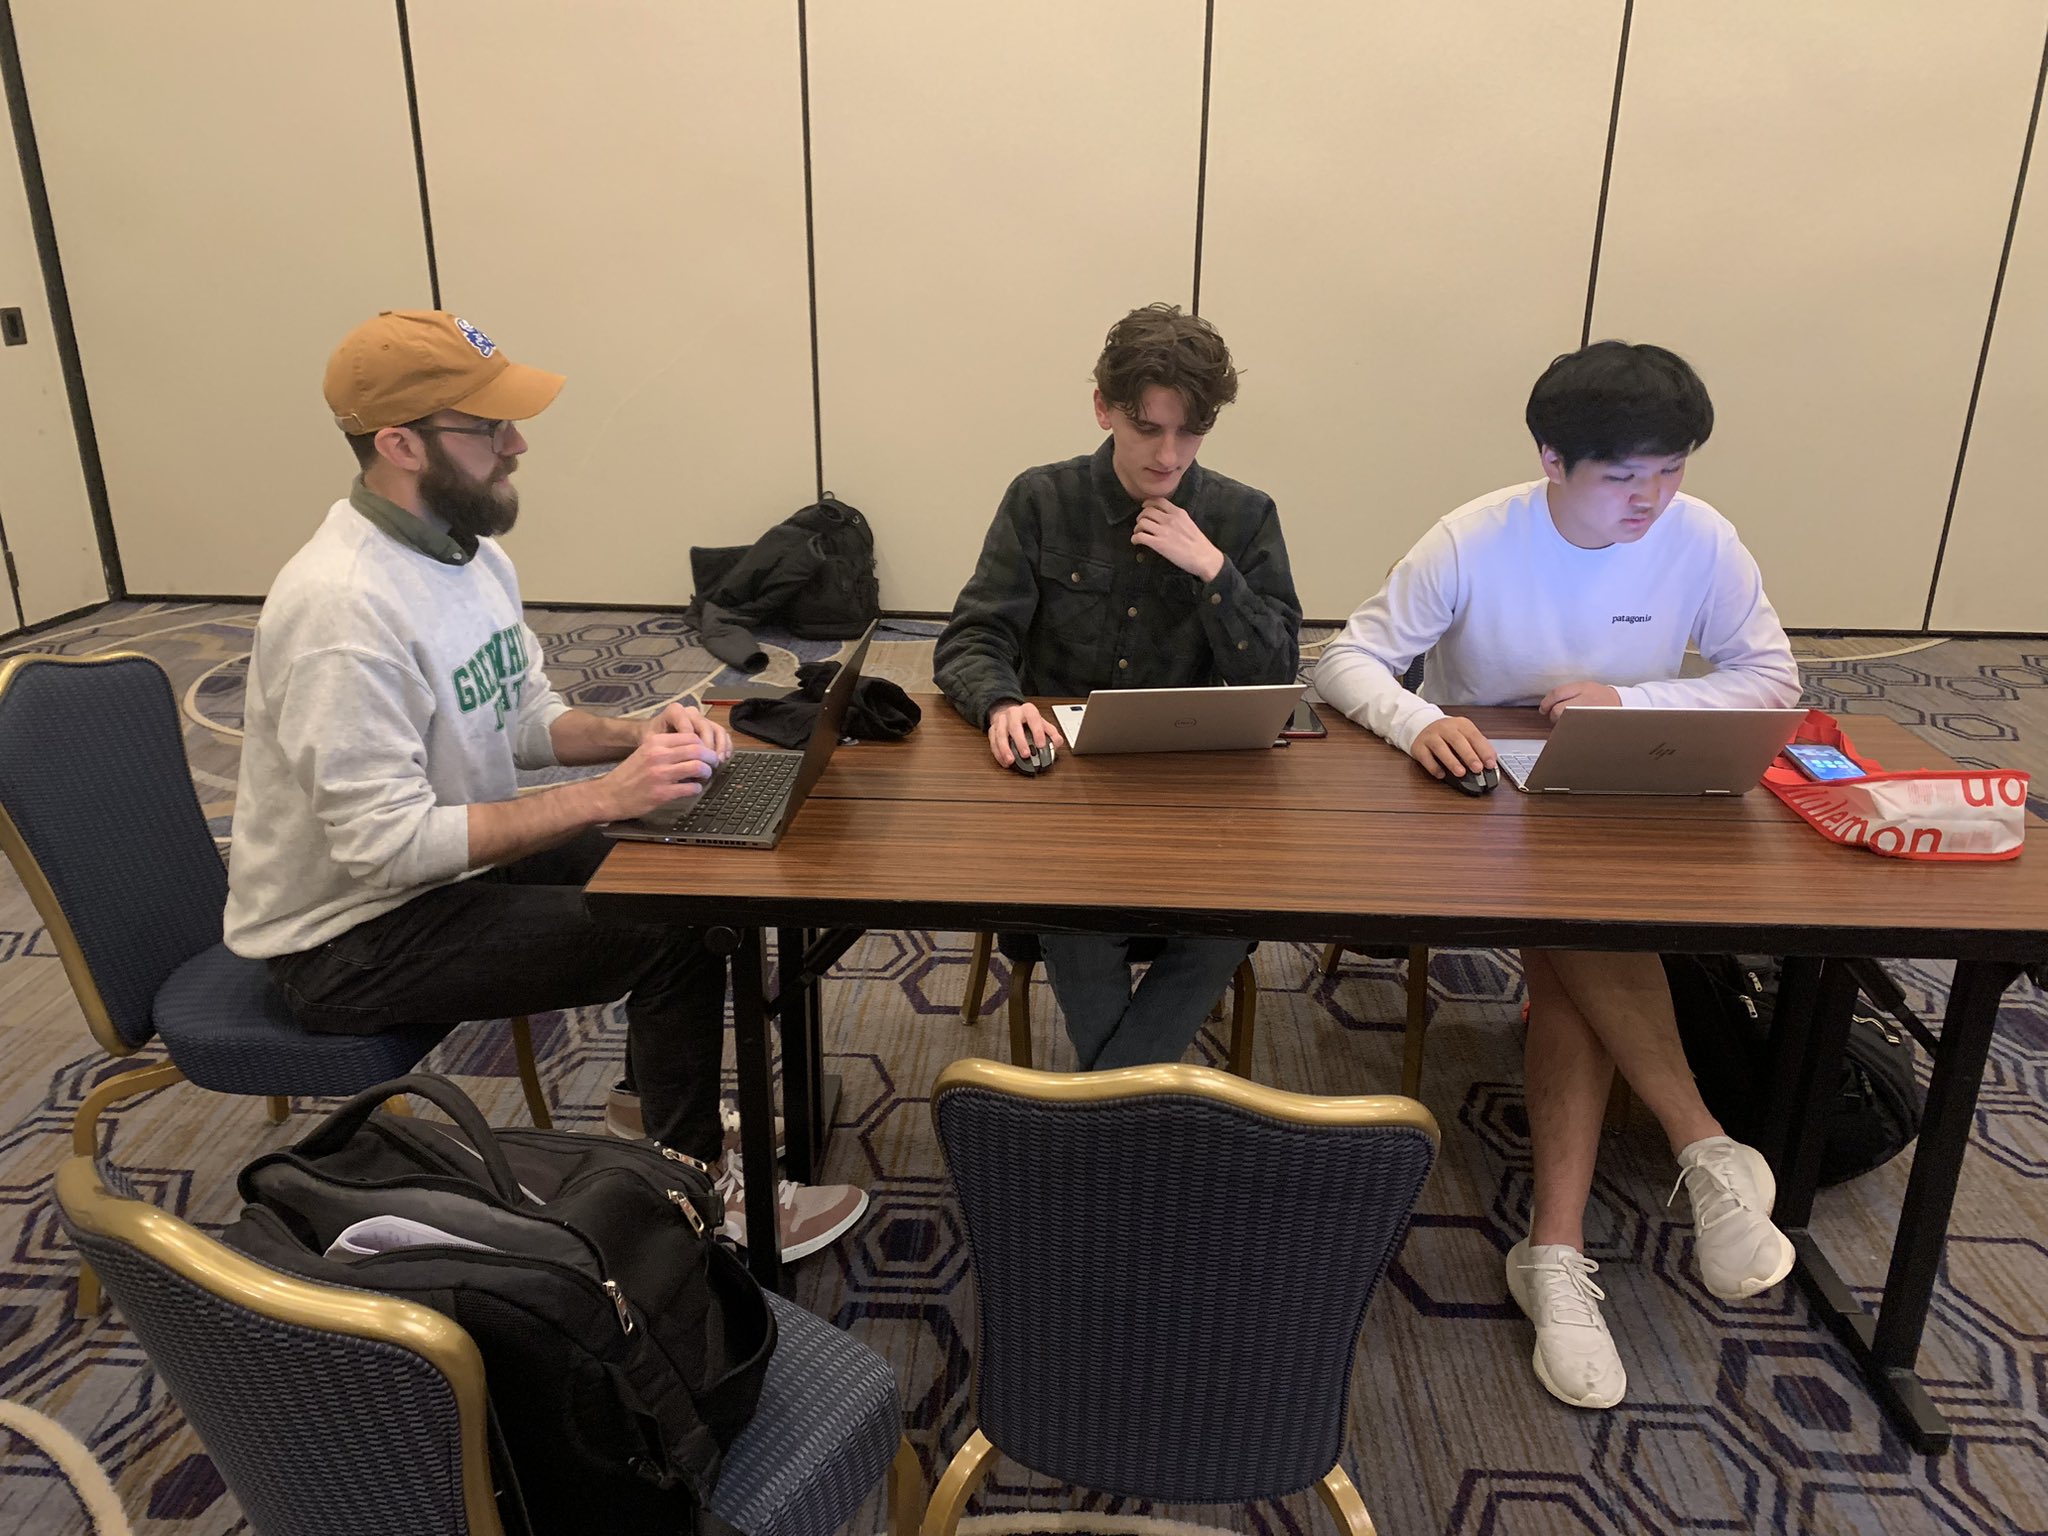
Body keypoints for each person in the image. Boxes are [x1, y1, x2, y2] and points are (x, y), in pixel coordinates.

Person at [223, 309, 867, 1261]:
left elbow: (521, 720)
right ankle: (690, 1196)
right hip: (352, 938)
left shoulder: (466, 551)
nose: (516, 444)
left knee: (680, 867)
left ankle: (651, 1115)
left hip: (440, 873)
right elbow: (382, 847)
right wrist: (609, 796)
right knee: (666, 931)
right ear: (399, 445)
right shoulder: (343, 609)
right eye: (487, 429)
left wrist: (633, 737)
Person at [1314, 340, 1802, 1409]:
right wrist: (1419, 718)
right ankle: (1699, 1143)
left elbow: (1770, 680)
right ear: (1551, 460)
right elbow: (1345, 660)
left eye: (1670, 470)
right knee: (1569, 919)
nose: (1652, 498)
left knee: (1567, 936)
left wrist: (1632, 704)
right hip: (1480, 802)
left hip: (1620, 792)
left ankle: (1555, 1254)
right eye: (1623, 477)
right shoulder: (1474, 537)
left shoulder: (1699, 536)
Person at [934, 302, 1302, 1068]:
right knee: (1076, 912)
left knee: (1233, 916)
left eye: (1190, 432)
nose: (1170, 456)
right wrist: (1000, 701)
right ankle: (1139, 1117)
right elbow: (973, 637)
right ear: (1104, 409)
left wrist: (1212, 570)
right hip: (1066, 792)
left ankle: (1105, 1117)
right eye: (1148, 429)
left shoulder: (1240, 516)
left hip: (1197, 799)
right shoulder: (1042, 500)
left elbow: (1273, 675)